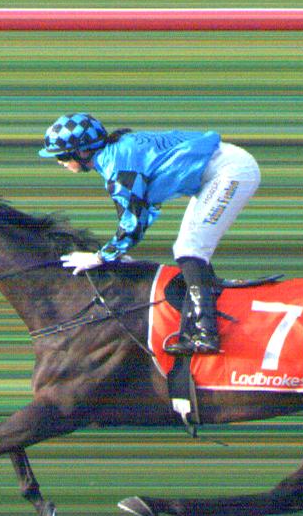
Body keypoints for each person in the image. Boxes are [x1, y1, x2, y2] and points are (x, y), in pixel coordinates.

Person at [37, 113, 260, 355]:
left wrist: (100, 257)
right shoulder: (116, 153)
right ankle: (207, 296)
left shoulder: (118, 167)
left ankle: (205, 334)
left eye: (62, 156)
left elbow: (133, 224)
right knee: (186, 248)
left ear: (82, 152)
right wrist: (116, 251)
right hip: (221, 168)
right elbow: (142, 214)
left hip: (229, 171)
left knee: (190, 248)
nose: (59, 162)